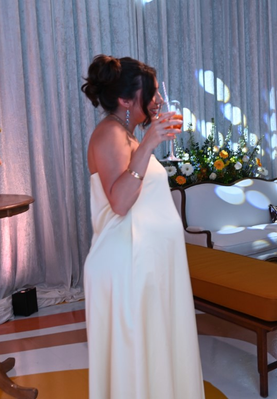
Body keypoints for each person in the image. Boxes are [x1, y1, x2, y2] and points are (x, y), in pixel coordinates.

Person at [81, 55, 205, 399]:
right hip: (127, 266)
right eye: (151, 93)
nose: (159, 100)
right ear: (125, 100)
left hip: (149, 267)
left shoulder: (128, 136)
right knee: (136, 362)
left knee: (156, 355)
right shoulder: (108, 135)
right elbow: (120, 203)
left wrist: (147, 141)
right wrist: (150, 142)